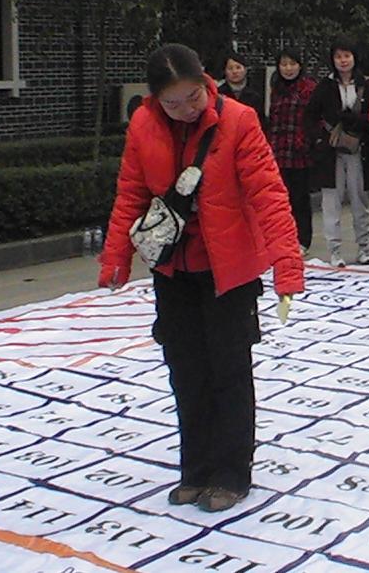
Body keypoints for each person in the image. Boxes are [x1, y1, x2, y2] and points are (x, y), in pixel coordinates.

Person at [97, 44, 304, 513]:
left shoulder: (239, 121)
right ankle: (195, 468)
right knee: (186, 371)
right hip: (173, 268)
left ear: (205, 82)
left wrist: (286, 265)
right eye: (172, 103)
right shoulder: (143, 125)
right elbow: (130, 194)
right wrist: (116, 258)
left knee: (228, 371)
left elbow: (269, 194)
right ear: (155, 100)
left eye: (193, 97)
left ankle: (231, 473)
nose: (187, 109)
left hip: (229, 270)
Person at [305, 36, 369, 267]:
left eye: (347, 55)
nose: (343, 60)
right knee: (331, 201)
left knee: (359, 199)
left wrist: (358, 121)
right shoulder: (324, 86)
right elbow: (309, 116)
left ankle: (364, 248)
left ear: (355, 57)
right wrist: (320, 139)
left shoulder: (367, 86)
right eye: (338, 56)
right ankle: (334, 251)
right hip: (331, 153)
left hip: (358, 150)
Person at [268, 48, 316, 255]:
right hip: (279, 151)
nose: (288, 69)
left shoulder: (309, 88)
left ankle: (303, 239)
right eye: (284, 64)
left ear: (300, 65)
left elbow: (315, 119)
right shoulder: (276, 88)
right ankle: (282, 238)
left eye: (292, 64)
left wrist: (306, 142)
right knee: (280, 199)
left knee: (300, 198)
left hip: (300, 152)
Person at [217, 50, 266, 130]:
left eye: (238, 67)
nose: (234, 71)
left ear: (245, 70)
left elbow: (261, 122)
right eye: (230, 68)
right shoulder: (219, 94)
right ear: (225, 71)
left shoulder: (255, 94)